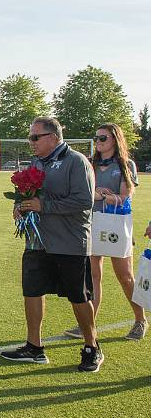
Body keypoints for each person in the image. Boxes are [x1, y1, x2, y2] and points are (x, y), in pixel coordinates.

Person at [0, 116, 103, 372]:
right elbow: (30, 195)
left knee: (79, 296)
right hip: (37, 241)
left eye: (36, 137)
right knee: (32, 291)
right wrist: (20, 206)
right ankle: (34, 347)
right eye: (30, 137)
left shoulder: (76, 162)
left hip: (69, 242)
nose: (31, 142)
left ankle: (92, 347)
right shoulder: (36, 162)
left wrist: (44, 206)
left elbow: (84, 202)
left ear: (54, 137)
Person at [64, 123, 145, 340]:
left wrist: (105, 196)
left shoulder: (126, 164)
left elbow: (125, 196)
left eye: (103, 138)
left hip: (115, 226)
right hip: (91, 224)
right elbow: (80, 193)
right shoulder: (89, 164)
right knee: (93, 276)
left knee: (125, 276)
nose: (98, 142)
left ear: (115, 140)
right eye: (97, 138)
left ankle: (140, 320)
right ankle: (88, 325)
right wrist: (95, 194)